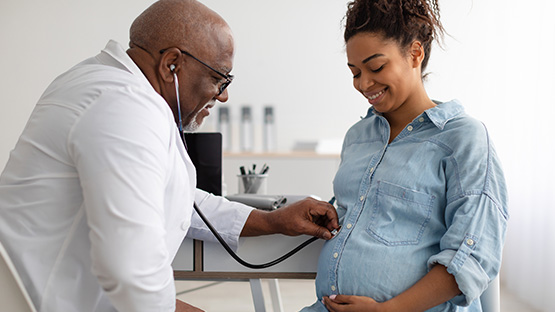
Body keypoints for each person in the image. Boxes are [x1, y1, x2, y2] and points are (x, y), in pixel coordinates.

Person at [0, 1, 339, 311]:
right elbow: (133, 272)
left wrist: (271, 220)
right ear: (172, 64)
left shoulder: (109, 87)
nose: (222, 97)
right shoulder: (123, 107)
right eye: (219, 79)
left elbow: (174, 198)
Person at [301, 0, 508, 311]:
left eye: (376, 67)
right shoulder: (358, 137)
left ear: (415, 53)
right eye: (355, 72)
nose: (363, 84)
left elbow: (472, 255)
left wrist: (389, 309)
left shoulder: (464, 138)